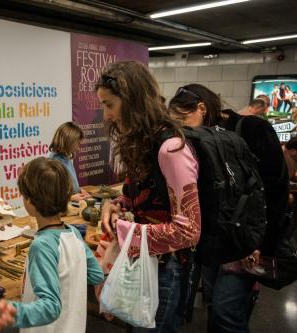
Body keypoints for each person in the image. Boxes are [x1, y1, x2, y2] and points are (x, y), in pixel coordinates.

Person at [169, 83, 289, 333]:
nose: (181, 127)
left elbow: (275, 190)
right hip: (214, 242)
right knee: (215, 306)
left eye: (182, 118)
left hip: (245, 242)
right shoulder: (197, 136)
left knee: (227, 311)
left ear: (202, 108)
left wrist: (261, 244)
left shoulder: (253, 128)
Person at [97, 61, 201, 333]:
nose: (106, 116)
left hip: (166, 270)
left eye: (110, 105)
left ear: (132, 101)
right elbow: (141, 198)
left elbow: (189, 231)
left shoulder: (170, 149)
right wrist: (114, 205)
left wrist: (124, 230)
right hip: (145, 265)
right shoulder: (142, 142)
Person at [0, 157, 104, 333]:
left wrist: (14, 312)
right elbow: (96, 274)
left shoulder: (42, 245)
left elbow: (51, 306)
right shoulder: (73, 233)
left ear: (29, 201)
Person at [48, 122, 91, 202]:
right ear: (68, 141)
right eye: (77, 144)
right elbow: (52, 196)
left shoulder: (65, 158)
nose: (78, 148)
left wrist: (79, 190)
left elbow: (70, 185)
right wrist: (71, 198)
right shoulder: (54, 163)